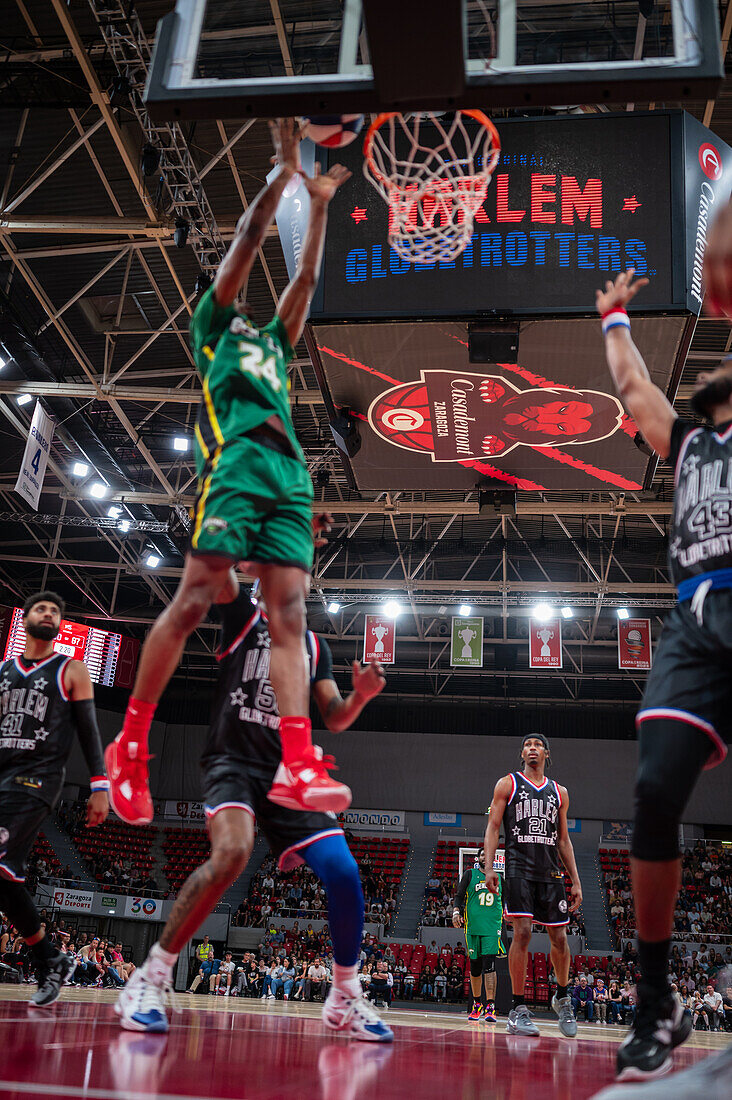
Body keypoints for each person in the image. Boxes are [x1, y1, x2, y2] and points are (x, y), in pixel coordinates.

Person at [105, 117, 353, 826]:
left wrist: (325, 205)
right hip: (237, 464)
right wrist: (281, 173)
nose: (248, 294)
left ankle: (298, 759)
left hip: (289, 475)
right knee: (191, 602)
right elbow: (246, 242)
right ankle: (129, 744)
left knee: (290, 620)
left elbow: (304, 279)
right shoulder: (213, 325)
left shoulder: (275, 337)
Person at [115, 587, 390, 1042]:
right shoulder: (243, 617)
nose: (293, 584)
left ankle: (345, 992)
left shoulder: (314, 644)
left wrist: (360, 697)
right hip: (233, 763)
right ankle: (151, 975)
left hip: (290, 772)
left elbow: (335, 715)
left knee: (343, 872)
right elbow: (216, 575)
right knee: (233, 853)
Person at [596, 268, 732, 1081]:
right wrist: (614, 316)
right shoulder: (685, 443)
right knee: (652, 791)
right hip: (693, 620)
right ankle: (655, 1002)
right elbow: (635, 383)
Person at [0, 591, 109, 1006]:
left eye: (55, 610)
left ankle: (48, 959)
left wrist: (99, 784)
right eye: (41, 608)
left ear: (59, 624)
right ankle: (49, 958)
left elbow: (88, 730)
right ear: (26, 618)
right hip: (3, 775)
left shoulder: (71, 669)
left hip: (37, 780)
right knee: (7, 882)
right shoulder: (5, 671)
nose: (49, 613)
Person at [484, 733, 582, 1038]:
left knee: (560, 938)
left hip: (550, 871)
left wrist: (576, 879)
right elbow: (493, 826)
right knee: (522, 933)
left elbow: (564, 839)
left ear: (547, 754)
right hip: (517, 869)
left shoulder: (559, 792)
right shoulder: (507, 784)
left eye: (537, 745)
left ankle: (562, 998)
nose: (532, 749)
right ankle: (517, 1009)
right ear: (522, 754)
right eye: (527, 745)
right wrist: (489, 867)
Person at [452, 846, 504, 1023]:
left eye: (487, 854)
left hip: (491, 927)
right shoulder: (469, 874)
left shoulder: (500, 878)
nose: (485, 856)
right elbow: (459, 896)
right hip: (472, 926)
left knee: (489, 964)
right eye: (482, 854)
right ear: (478, 858)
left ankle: (490, 1006)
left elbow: (506, 901)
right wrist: (456, 912)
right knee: (475, 967)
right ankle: (477, 1004)